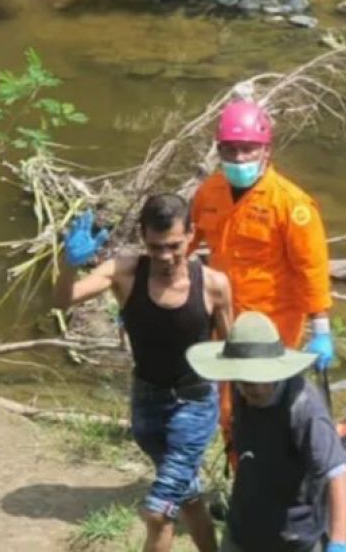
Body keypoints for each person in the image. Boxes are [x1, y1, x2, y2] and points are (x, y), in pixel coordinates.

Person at [57, 194, 232, 552]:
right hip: (147, 401)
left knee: (158, 511)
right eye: (155, 247)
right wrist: (68, 264)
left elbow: (231, 353)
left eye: (174, 246)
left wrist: (242, 410)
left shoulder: (214, 284)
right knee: (187, 496)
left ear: (191, 235)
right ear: (142, 236)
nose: (165, 257)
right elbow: (62, 300)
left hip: (195, 401)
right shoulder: (124, 272)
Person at [189, 100, 335, 455]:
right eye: (230, 150)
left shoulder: (290, 204)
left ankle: (278, 481)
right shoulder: (210, 193)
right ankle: (244, 483)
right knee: (228, 405)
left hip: (274, 322)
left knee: (267, 403)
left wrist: (321, 331)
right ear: (218, 149)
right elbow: (185, 244)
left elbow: (311, 267)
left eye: (247, 149)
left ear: (266, 151)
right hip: (225, 318)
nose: (238, 159)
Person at [187, 311, 346, 552]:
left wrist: (339, 542)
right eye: (240, 382)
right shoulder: (240, 389)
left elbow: (338, 476)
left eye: (252, 383)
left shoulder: (304, 407)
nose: (245, 390)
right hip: (243, 529)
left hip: (293, 538)